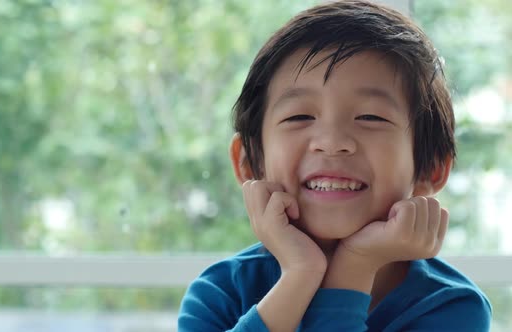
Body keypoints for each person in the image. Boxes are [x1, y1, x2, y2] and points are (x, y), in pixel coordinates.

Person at [177, 0, 492, 331]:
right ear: (247, 162)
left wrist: (354, 268)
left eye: (371, 117)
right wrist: (300, 274)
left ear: (431, 168)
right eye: (299, 116)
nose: (331, 141)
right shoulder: (219, 294)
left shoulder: (452, 308)